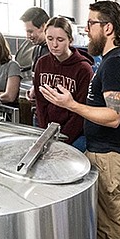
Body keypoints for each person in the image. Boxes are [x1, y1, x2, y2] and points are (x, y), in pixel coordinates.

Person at [42, 1, 120, 239]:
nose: (87, 29)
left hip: (110, 153)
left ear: (107, 28)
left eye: (92, 24)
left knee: (114, 216)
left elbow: (112, 116)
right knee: (103, 217)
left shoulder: (118, 63)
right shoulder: (109, 61)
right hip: (99, 151)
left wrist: (72, 105)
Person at [31, 16, 93, 149]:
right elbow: (40, 102)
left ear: (70, 40)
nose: (54, 45)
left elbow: (81, 111)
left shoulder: (83, 69)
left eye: (60, 40)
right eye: (50, 39)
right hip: (44, 127)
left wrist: (62, 141)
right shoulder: (42, 63)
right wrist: (45, 135)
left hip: (74, 133)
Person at [17, 6, 49, 76]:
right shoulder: (37, 48)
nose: (28, 36)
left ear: (44, 26)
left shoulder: (55, 50)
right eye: (26, 31)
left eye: (30, 31)